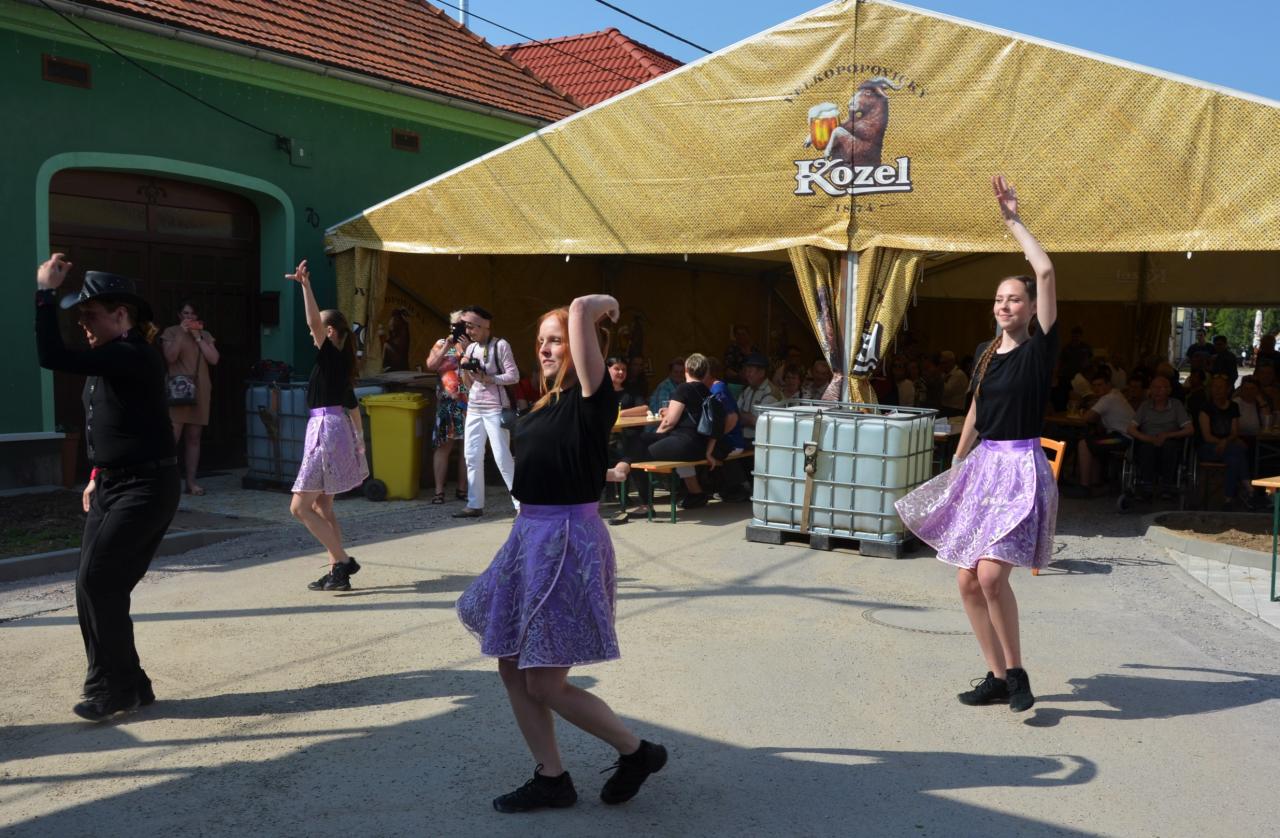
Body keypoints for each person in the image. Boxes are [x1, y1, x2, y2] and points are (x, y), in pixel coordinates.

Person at [457, 294, 667, 813]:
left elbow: (578, 312)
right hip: (530, 535)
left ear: (581, 346)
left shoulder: (592, 398)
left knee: (546, 682)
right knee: (512, 665)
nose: (546, 349)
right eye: (541, 341)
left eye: (556, 341)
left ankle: (636, 752)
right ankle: (552, 778)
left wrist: (602, 305)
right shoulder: (546, 403)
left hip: (567, 542)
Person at [895, 175, 1057, 714]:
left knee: (990, 575)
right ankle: (996, 676)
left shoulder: (1039, 351)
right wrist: (958, 462)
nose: (1005, 305)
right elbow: (975, 411)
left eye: (1015, 299)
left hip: (1021, 469)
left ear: (1031, 308)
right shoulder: (986, 352)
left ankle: (1018, 673)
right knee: (967, 582)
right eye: (999, 299)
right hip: (984, 467)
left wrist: (1013, 220)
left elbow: (1045, 270)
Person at [35, 254, 180, 721]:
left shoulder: (133, 354)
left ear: (121, 315)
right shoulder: (111, 358)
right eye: (79, 317)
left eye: (90, 315)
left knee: (99, 582)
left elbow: (50, 357)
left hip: (146, 485)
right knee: (94, 585)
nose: (83, 324)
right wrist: (97, 474)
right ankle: (132, 683)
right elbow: (117, 421)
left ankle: (111, 687)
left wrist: (45, 294)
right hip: (113, 485)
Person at [286, 260, 368, 592]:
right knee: (323, 506)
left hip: (325, 430)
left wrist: (306, 286)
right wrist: (358, 442)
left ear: (330, 331)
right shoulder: (341, 361)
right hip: (335, 430)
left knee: (299, 507)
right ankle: (337, 571)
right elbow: (352, 405)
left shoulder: (330, 355)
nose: (312, 333)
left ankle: (343, 561)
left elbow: (312, 322)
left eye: (318, 330)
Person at [453, 306, 520, 519]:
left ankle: (521, 505)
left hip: (495, 408)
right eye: (466, 327)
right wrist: (464, 364)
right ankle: (474, 504)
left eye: (471, 327)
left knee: (502, 457)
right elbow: (467, 384)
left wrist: (489, 378)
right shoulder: (471, 348)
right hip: (474, 407)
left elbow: (514, 375)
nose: (468, 331)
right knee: (472, 456)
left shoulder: (500, 345)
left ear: (484, 326)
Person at [626, 354, 716, 511]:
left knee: (637, 452)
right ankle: (696, 494)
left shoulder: (683, 388)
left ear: (687, 370)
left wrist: (658, 436)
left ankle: (646, 505)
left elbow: (669, 422)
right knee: (640, 440)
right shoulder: (707, 391)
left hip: (684, 444)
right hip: (700, 446)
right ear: (705, 372)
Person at [160, 300, 220, 496]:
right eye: (186, 313)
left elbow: (214, 359)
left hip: (200, 389)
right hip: (179, 389)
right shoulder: (170, 332)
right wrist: (181, 333)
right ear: (180, 315)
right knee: (172, 438)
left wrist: (198, 337)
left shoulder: (205, 334)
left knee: (194, 438)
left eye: (193, 314)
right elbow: (170, 357)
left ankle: (191, 482)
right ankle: (166, 482)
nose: (189, 317)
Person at [425, 311, 470, 504]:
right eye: (455, 324)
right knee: (444, 446)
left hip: (470, 403)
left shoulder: (474, 345)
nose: (458, 328)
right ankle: (439, 492)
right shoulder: (442, 344)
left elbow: (483, 367)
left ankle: (462, 489)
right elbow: (431, 364)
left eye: (462, 325)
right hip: (447, 403)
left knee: (467, 449)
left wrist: (467, 350)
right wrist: (447, 346)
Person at [1127, 375, 1193, 497]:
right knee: (1145, 448)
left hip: (1170, 439)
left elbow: (1189, 429)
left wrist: (1168, 435)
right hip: (1148, 439)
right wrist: (1147, 438)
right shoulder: (1145, 406)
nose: (1157, 391)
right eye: (1154, 387)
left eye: (1161, 388)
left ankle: (1167, 485)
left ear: (1169, 390)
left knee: (1170, 448)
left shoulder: (1176, 405)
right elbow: (1131, 428)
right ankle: (1147, 485)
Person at [1197, 374, 1253, 509]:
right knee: (1238, 450)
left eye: (1221, 387)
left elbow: (1234, 431)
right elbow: (1207, 436)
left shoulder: (1233, 406)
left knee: (1233, 459)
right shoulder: (1205, 408)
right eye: (1214, 387)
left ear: (1227, 389)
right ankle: (1248, 487)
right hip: (1209, 446)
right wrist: (1222, 442)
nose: (1217, 390)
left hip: (1228, 446)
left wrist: (1225, 442)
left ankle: (1228, 499)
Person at [1075, 366, 1134, 489]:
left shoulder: (1108, 398)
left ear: (1108, 385)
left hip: (1123, 439)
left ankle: (1084, 486)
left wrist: (1085, 411)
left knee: (1084, 444)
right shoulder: (1116, 394)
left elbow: (1087, 418)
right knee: (1094, 440)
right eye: (1094, 386)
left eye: (1100, 385)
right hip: (1126, 437)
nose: (1097, 388)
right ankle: (1095, 483)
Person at [737, 352, 780, 446]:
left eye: (750, 371)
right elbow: (736, 412)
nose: (747, 374)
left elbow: (758, 422)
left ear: (761, 373)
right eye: (746, 371)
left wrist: (742, 416)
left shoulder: (770, 392)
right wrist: (746, 417)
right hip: (744, 438)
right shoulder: (748, 389)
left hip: (761, 442)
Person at [938, 350, 969, 416]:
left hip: (955, 409)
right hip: (946, 408)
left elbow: (946, 392)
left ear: (951, 361)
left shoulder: (959, 374)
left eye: (944, 362)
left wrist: (938, 379)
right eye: (941, 363)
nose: (941, 365)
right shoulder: (945, 374)